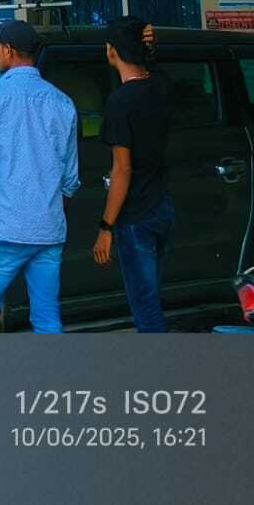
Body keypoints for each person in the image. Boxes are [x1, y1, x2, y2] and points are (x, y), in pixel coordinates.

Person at [0, 20, 80, 333]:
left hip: (3, 228)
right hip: (49, 230)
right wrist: (53, 217)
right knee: (47, 318)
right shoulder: (63, 102)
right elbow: (70, 179)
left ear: (9, 50)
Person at [93, 17, 173, 332]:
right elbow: (154, 69)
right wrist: (150, 49)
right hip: (161, 206)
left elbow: (122, 169)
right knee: (152, 296)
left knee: (144, 304)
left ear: (112, 50)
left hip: (135, 216)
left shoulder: (120, 101)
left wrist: (105, 226)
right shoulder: (160, 87)